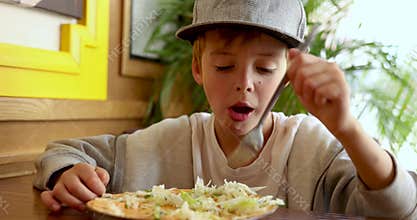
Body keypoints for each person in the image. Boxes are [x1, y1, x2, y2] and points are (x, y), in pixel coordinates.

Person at [34, 0, 417, 218]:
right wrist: (68, 174)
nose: (245, 83)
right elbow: (64, 152)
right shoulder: (168, 140)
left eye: (265, 69)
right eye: (223, 66)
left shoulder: (312, 148)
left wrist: (348, 128)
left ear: (288, 73)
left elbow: (399, 208)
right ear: (198, 68)